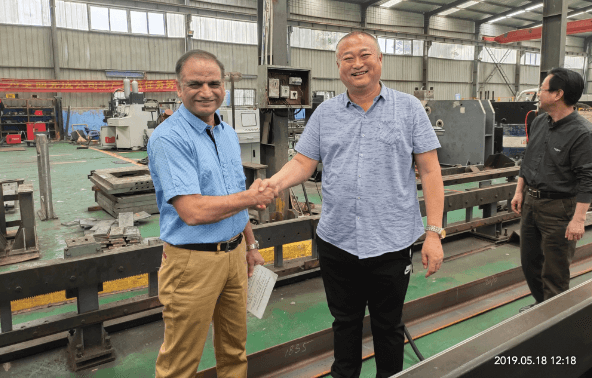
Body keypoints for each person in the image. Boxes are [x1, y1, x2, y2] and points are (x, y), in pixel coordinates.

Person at [258, 31, 445, 377]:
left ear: (380, 60)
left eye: (364, 55)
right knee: (345, 323)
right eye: (348, 58)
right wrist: (273, 184)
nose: (357, 64)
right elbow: (303, 163)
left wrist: (433, 233)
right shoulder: (325, 114)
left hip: (390, 242)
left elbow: (431, 171)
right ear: (338, 66)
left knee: (388, 326)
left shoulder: (409, 109)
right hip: (338, 241)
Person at [147, 49, 275, 378]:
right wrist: (251, 197)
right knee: (180, 361)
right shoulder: (169, 138)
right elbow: (191, 211)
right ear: (178, 88)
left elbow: (233, 194)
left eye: (214, 83)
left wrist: (250, 245)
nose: (206, 92)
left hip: (235, 256)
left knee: (234, 350)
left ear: (224, 87)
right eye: (195, 84)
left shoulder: (226, 133)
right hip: (193, 263)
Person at [511, 67, 592, 312]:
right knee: (530, 263)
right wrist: (519, 191)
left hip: (559, 208)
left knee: (555, 271)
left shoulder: (582, 133)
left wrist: (578, 220)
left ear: (558, 94)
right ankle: (542, 307)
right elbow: (528, 159)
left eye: (542, 89)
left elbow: (587, 179)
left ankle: (554, 321)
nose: (538, 93)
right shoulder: (539, 121)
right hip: (531, 202)